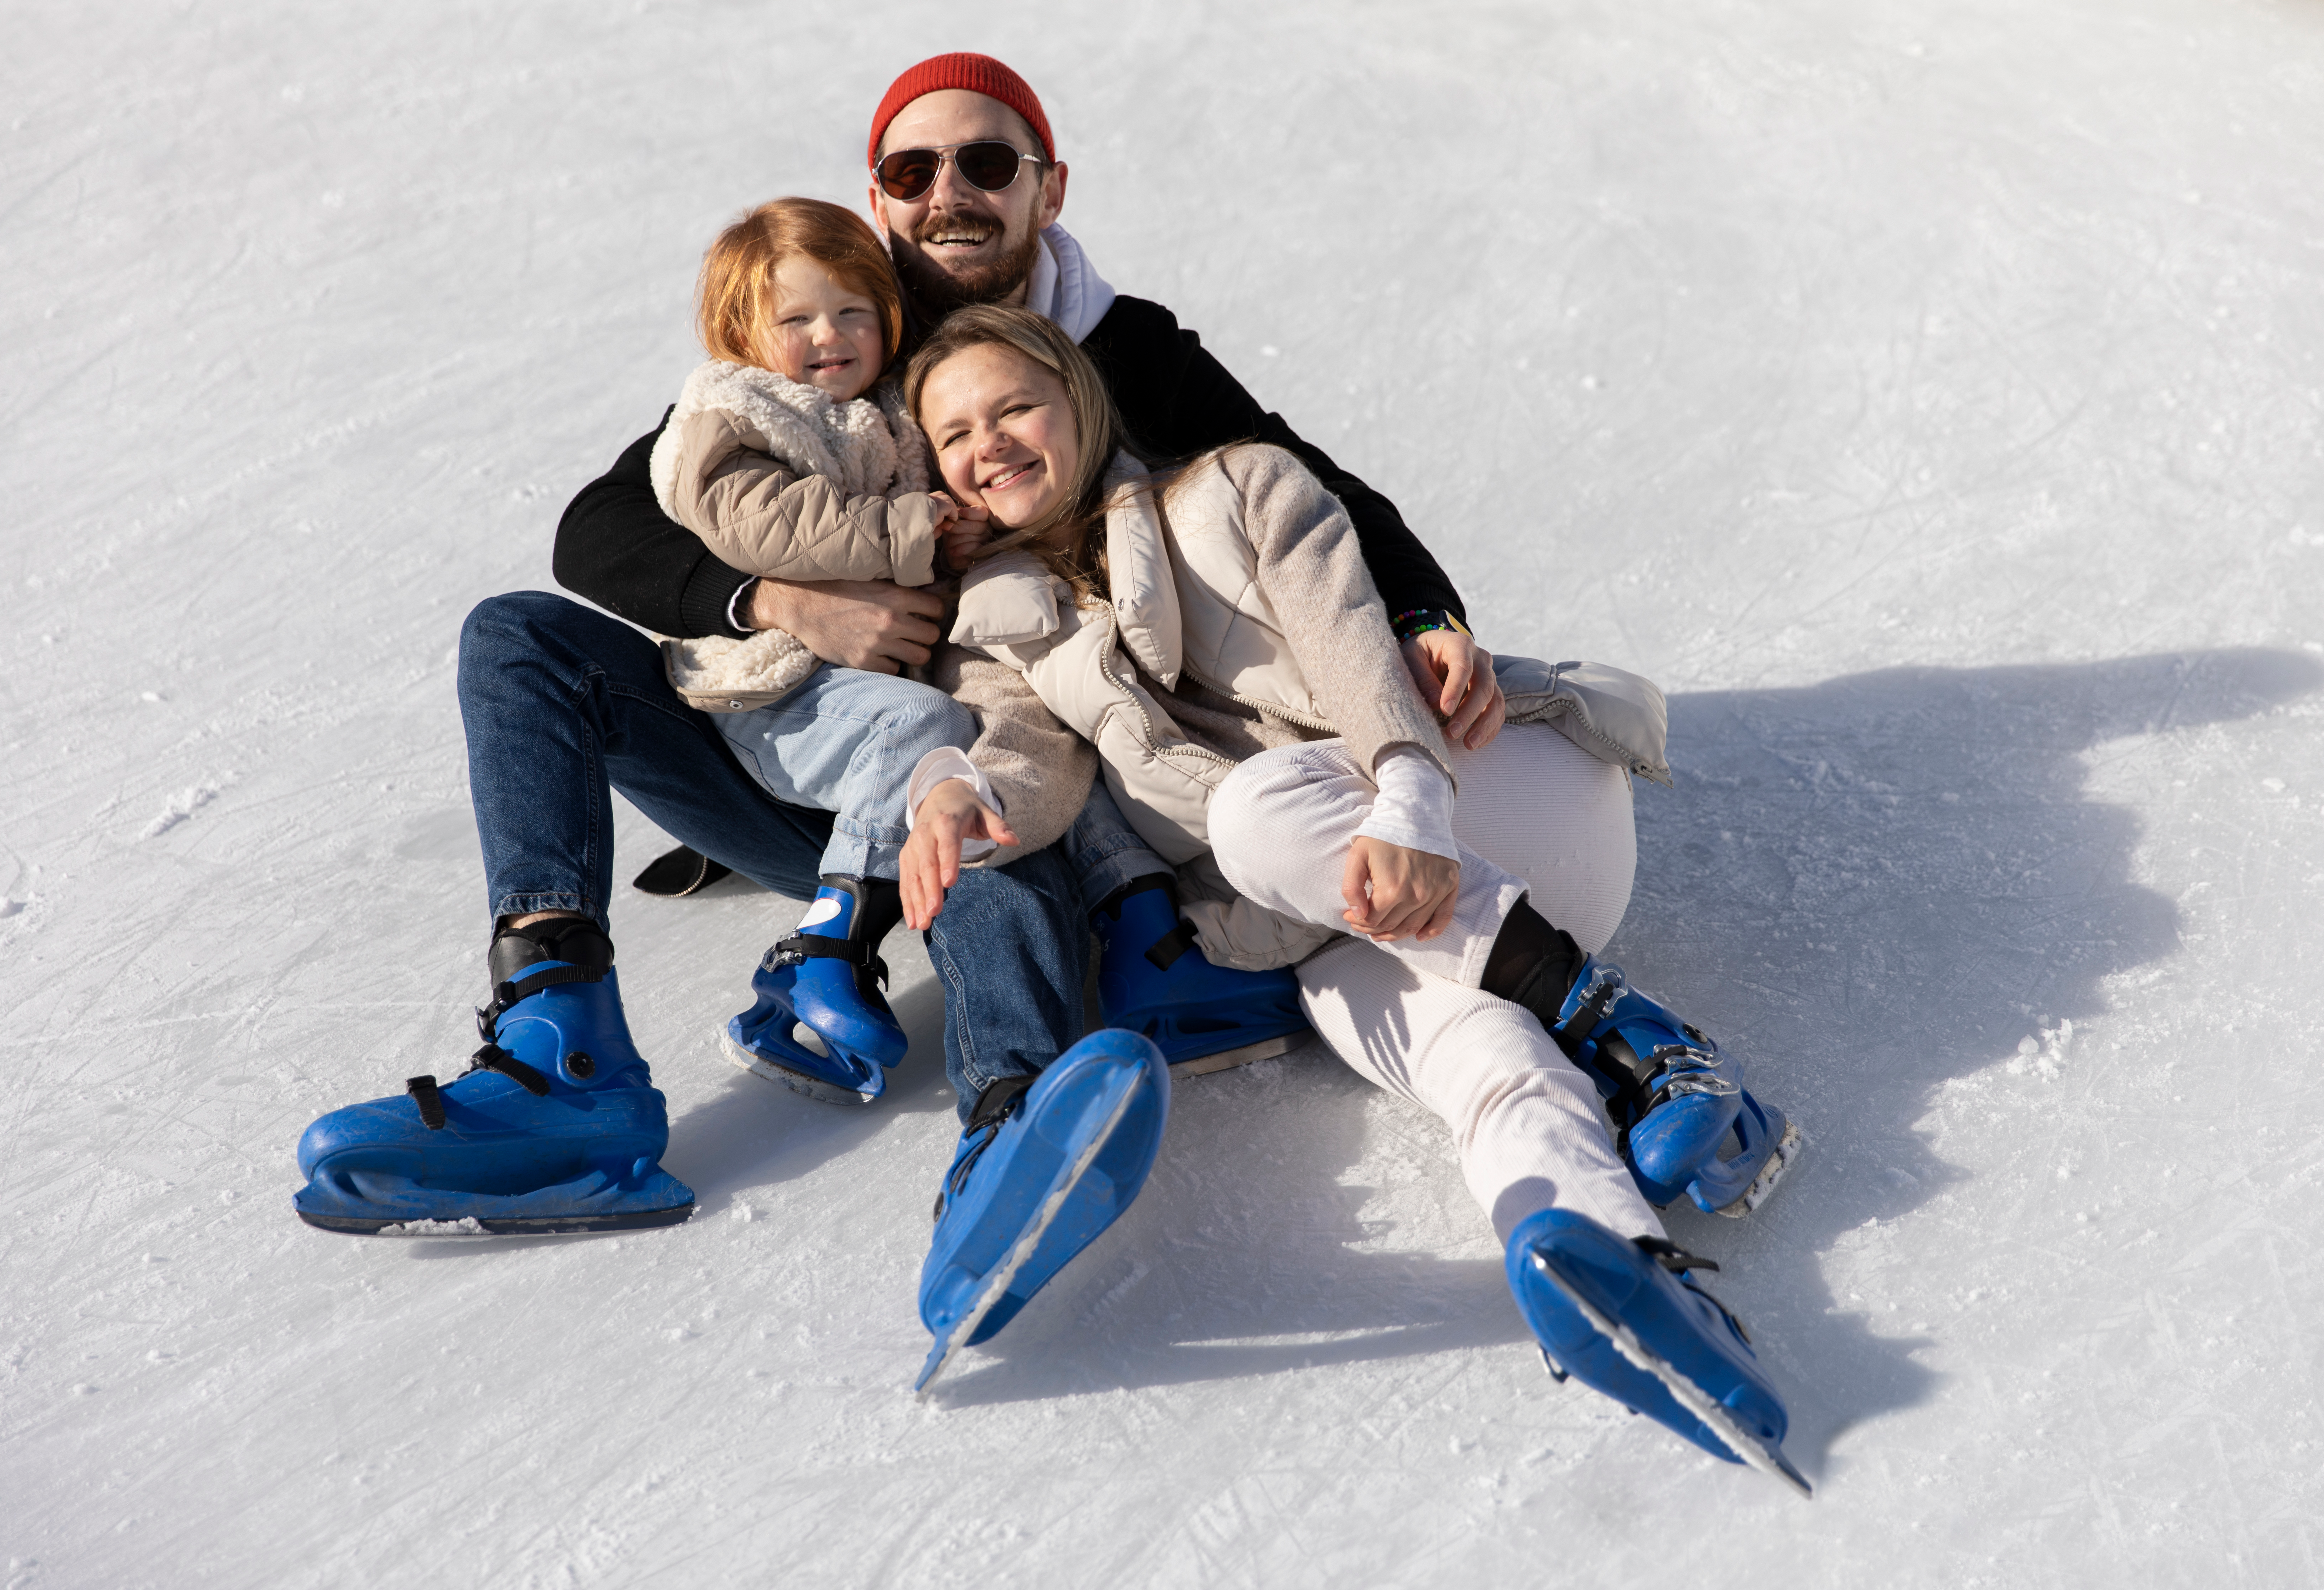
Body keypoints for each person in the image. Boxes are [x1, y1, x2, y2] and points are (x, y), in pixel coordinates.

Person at [286, 52, 1498, 1240]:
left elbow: (1314, 490)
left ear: (1046, 189)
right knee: (518, 641)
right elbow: (601, 528)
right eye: (911, 167)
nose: (947, 192)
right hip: (804, 765)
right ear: (879, 196)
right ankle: (562, 1056)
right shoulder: (825, 345)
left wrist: (1424, 618)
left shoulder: (1118, 353)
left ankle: (1007, 1118)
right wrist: (778, 603)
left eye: (985, 160)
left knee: (986, 757)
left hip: (1003, 776)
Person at [892, 306, 1808, 1491]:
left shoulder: (1236, 486)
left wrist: (1409, 808)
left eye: (1014, 405)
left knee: (1256, 815)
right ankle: (1616, 1258)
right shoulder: (997, 632)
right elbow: (1024, 756)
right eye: (955, 432)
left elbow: (1357, 656)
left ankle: (1631, 1026)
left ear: (1079, 401)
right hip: (1342, 901)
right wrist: (956, 790)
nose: (990, 443)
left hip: (1492, 794)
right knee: (1455, 1047)